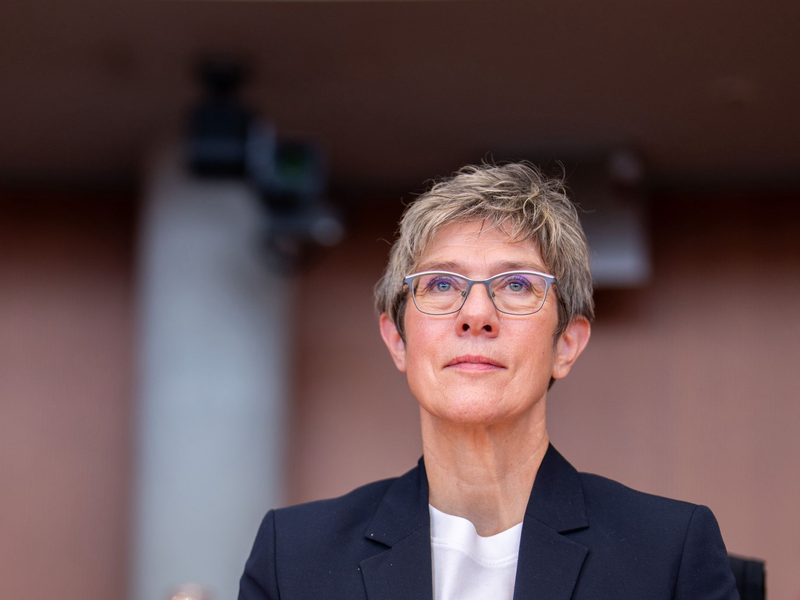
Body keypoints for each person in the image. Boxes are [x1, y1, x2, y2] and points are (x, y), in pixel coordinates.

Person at [239, 163, 738, 600]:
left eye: (517, 285)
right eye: (440, 284)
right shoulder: (295, 555)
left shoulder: (668, 551)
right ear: (397, 341)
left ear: (566, 344)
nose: (476, 315)